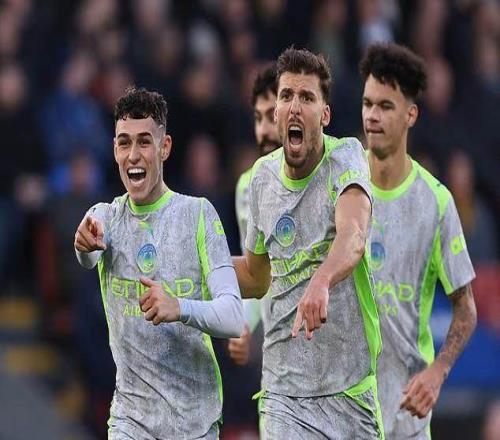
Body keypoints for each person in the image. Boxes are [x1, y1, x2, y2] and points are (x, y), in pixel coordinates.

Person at [74, 87, 243, 439]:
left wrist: (179, 307)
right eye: (124, 143)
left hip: (194, 422)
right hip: (130, 420)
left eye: (144, 142)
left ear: (164, 147)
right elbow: (87, 253)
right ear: (115, 150)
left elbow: (232, 316)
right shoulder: (105, 218)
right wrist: (83, 244)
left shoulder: (198, 215)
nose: (133, 155)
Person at [233, 47, 383, 439]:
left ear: (325, 114)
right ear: (276, 111)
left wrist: (322, 280)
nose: (295, 107)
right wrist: (188, 270)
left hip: (349, 391)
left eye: (307, 97)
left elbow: (353, 236)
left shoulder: (346, 157)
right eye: (286, 96)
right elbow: (255, 277)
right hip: (284, 395)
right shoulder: (260, 179)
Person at [360, 42, 477, 439]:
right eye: (367, 104)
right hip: (342, 417)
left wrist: (438, 372)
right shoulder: (339, 183)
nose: (372, 116)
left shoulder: (435, 202)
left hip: (405, 419)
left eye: (385, 106)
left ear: (411, 114)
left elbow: (466, 308)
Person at [228, 64, 281, 366]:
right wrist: (244, 325)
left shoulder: (326, 180)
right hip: (278, 357)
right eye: (258, 118)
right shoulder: (247, 187)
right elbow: (255, 272)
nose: (263, 131)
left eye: (272, 117)